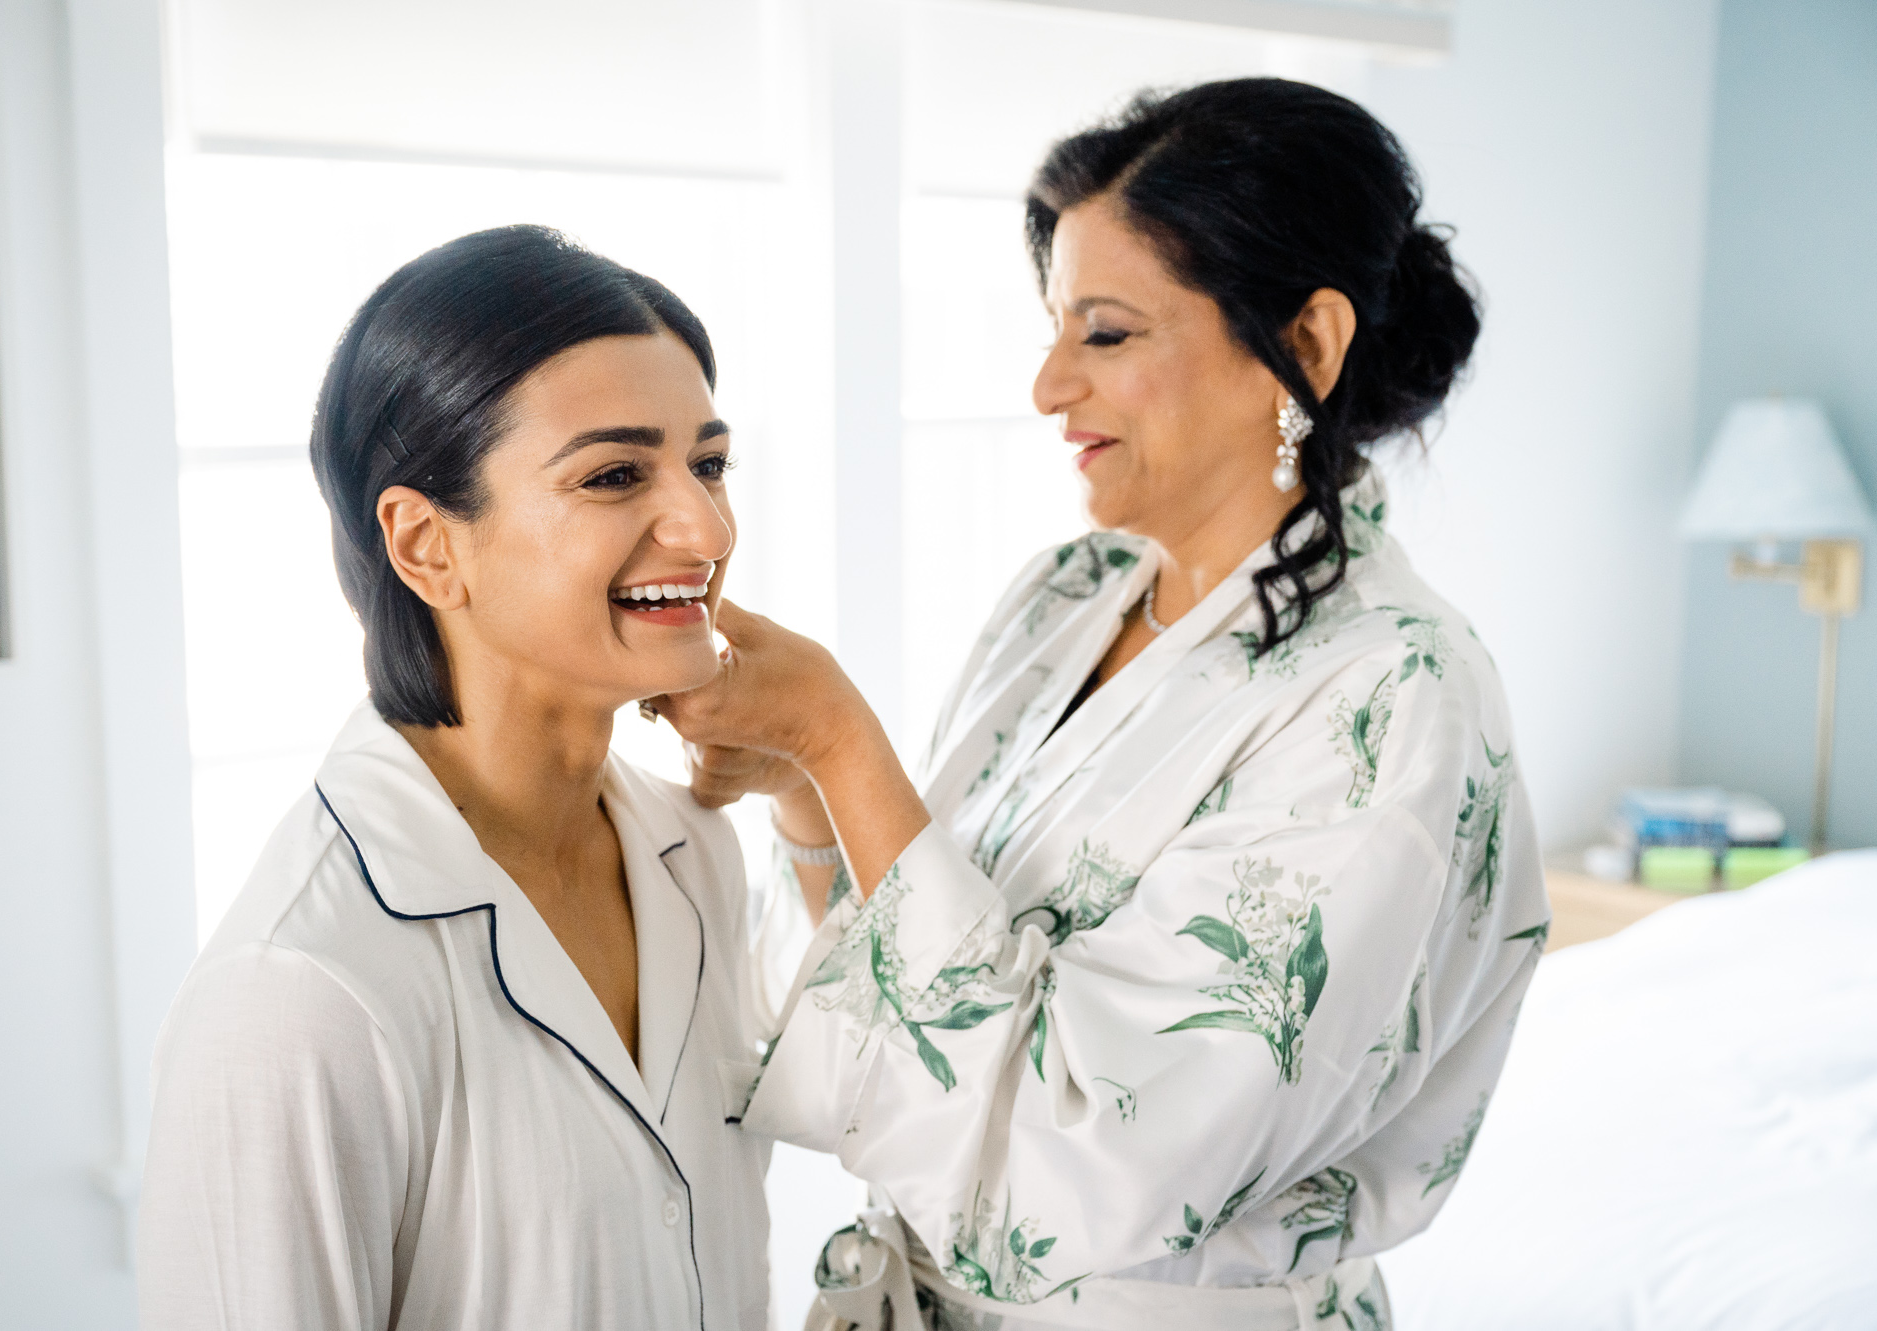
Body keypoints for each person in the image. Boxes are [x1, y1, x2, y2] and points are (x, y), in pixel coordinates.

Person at [659, 78, 1547, 1330]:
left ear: (1304, 345)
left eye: (1107, 334)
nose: (1045, 386)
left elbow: (1099, 1161)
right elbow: (915, 975)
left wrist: (838, 738)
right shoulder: (1066, 593)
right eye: (1053, 329)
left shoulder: (1395, 696)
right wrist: (807, 793)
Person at [138, 225, 771, 1330]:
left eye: (708, 464)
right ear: (427, 544)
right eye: (615, 474)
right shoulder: (295, 994)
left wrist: (816, 772)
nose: (706, 526)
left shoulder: (696, 854)